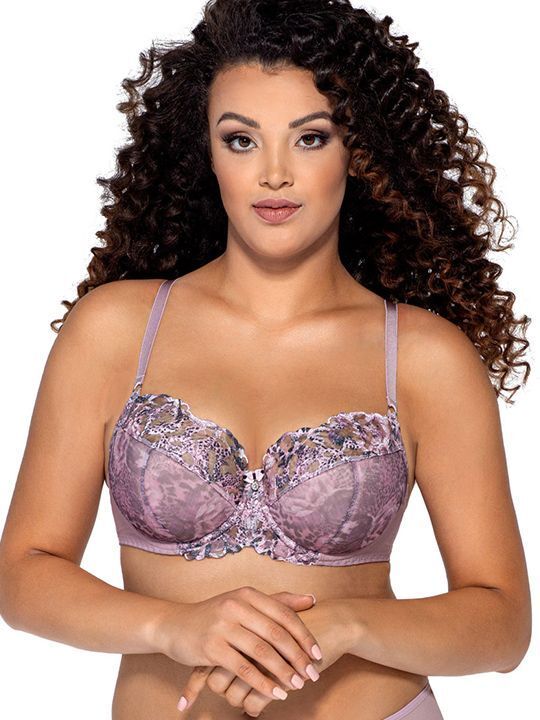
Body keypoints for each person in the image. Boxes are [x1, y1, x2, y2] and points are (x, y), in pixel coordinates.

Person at [0, 1, 532, 718]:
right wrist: (171, 626)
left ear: (359, 152)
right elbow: (23, 576)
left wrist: (348, 625)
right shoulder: (115, 332)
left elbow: (503, 625)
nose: (274, 174)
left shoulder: (423, 357)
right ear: (206, 152)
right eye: (241, 140)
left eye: (310, 138)